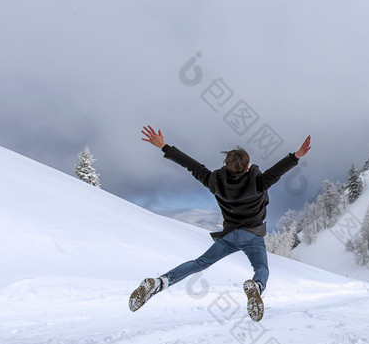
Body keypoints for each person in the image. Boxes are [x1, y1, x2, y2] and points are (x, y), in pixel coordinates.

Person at [129, 125, 311, 321]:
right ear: (248, 166)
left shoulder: (213, 181)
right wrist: (296, 155)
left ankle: (160, 282)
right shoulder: (260, 182)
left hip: (229, 236)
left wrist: (164, 146)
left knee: (200, 263)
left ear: (226, 164)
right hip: (253, 235)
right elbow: (277, 171)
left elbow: (190, 164)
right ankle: (257, 286)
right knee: (261, 268)